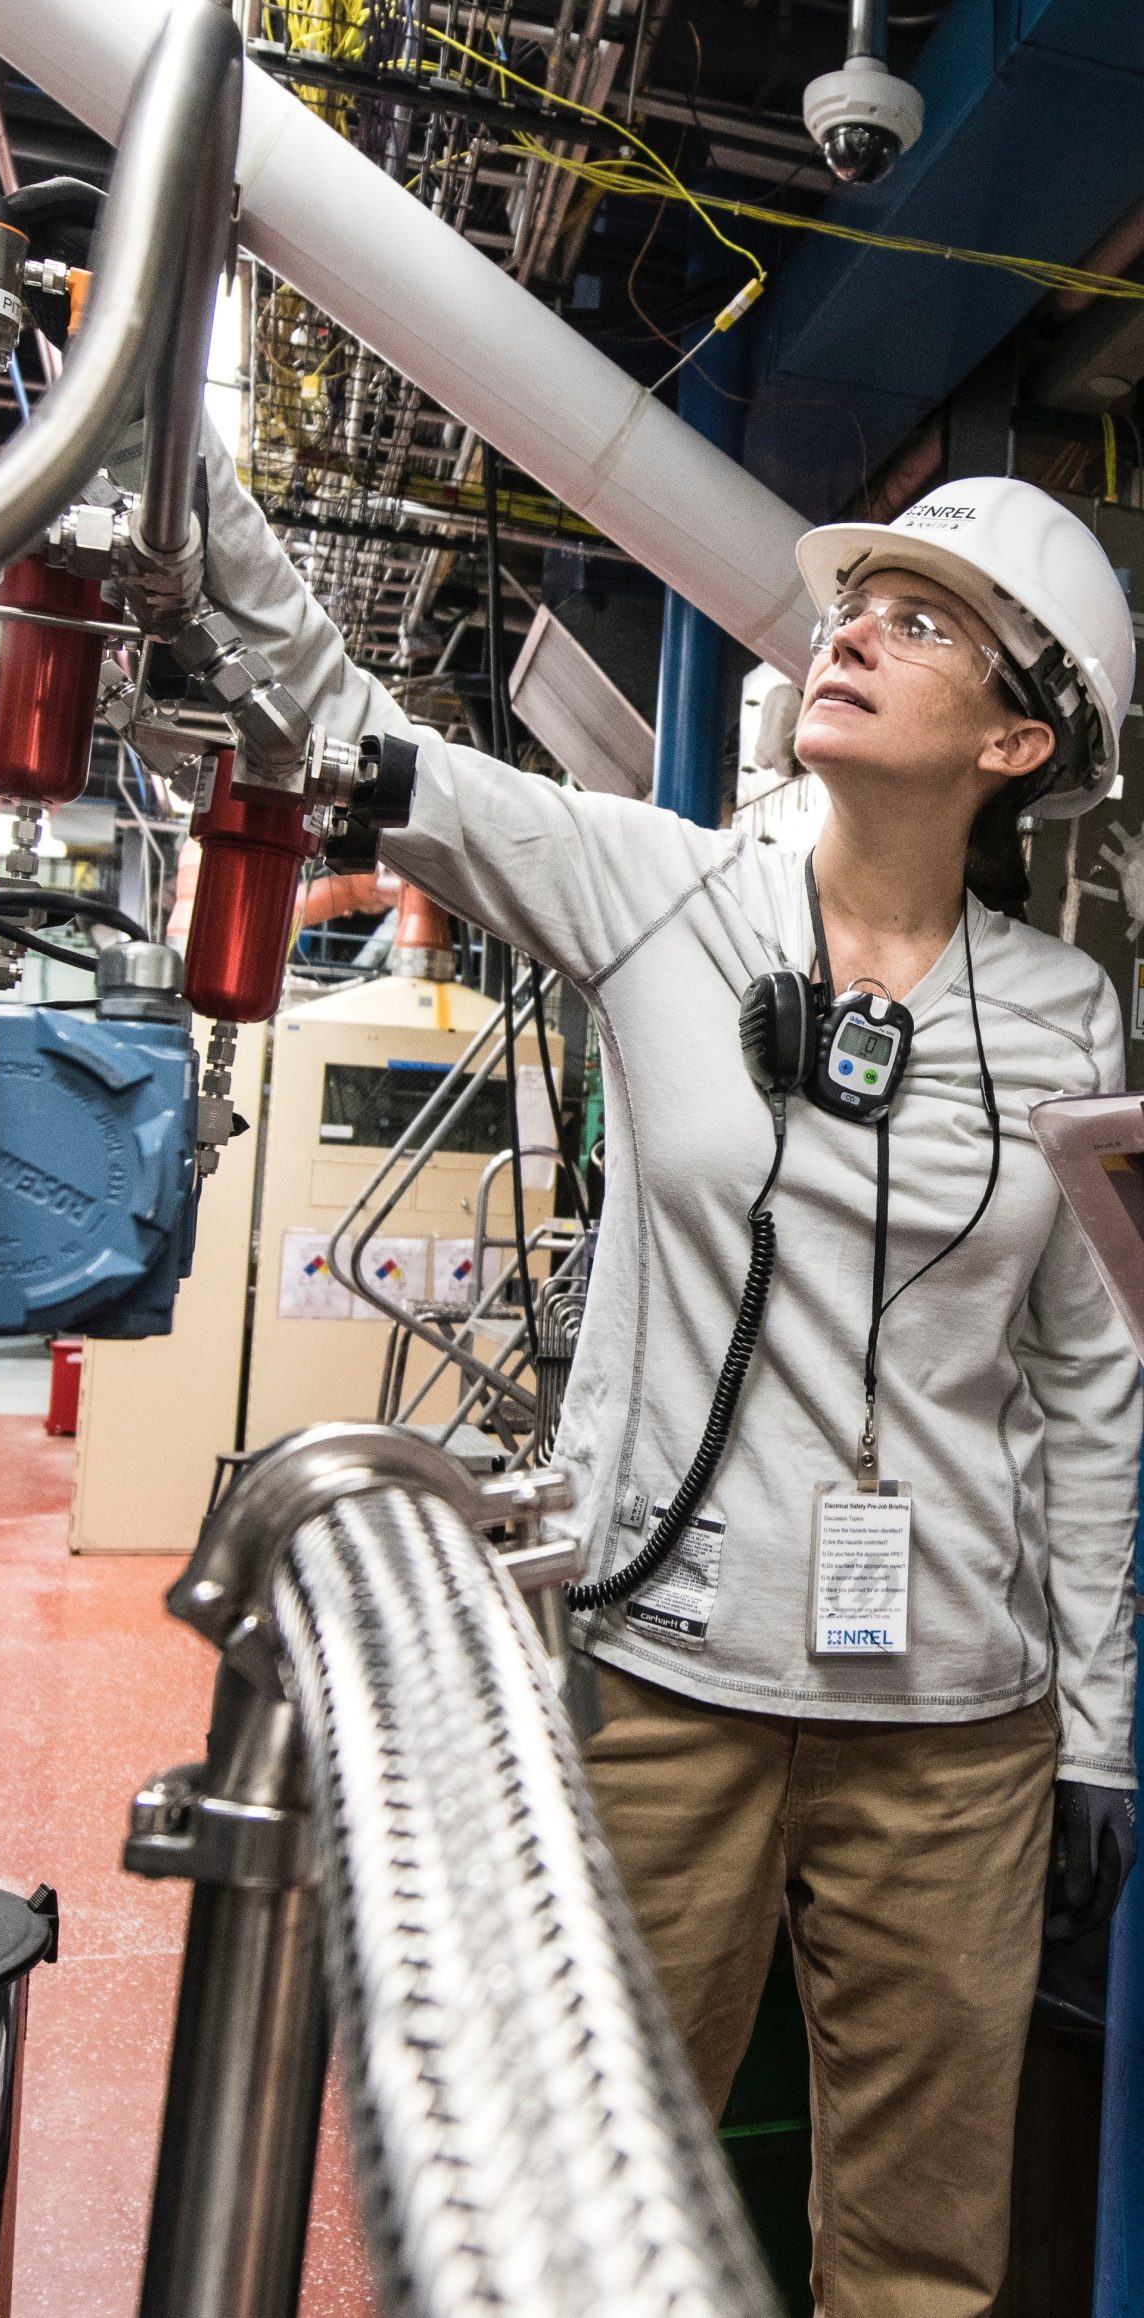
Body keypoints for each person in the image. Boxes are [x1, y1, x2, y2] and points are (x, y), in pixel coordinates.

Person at [192, 448, 1141, 2316]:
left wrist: (1098, 1731)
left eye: (924, 620)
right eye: (856, 605)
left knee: (924, 2261)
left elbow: (1092, 1398)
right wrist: (187, 496)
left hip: (957, 1736)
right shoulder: (659, 892)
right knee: (568, 2210)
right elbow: (354, 735)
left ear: (1016, 748)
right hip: (667, 1699)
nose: (857, 629)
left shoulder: (1063, 1014)